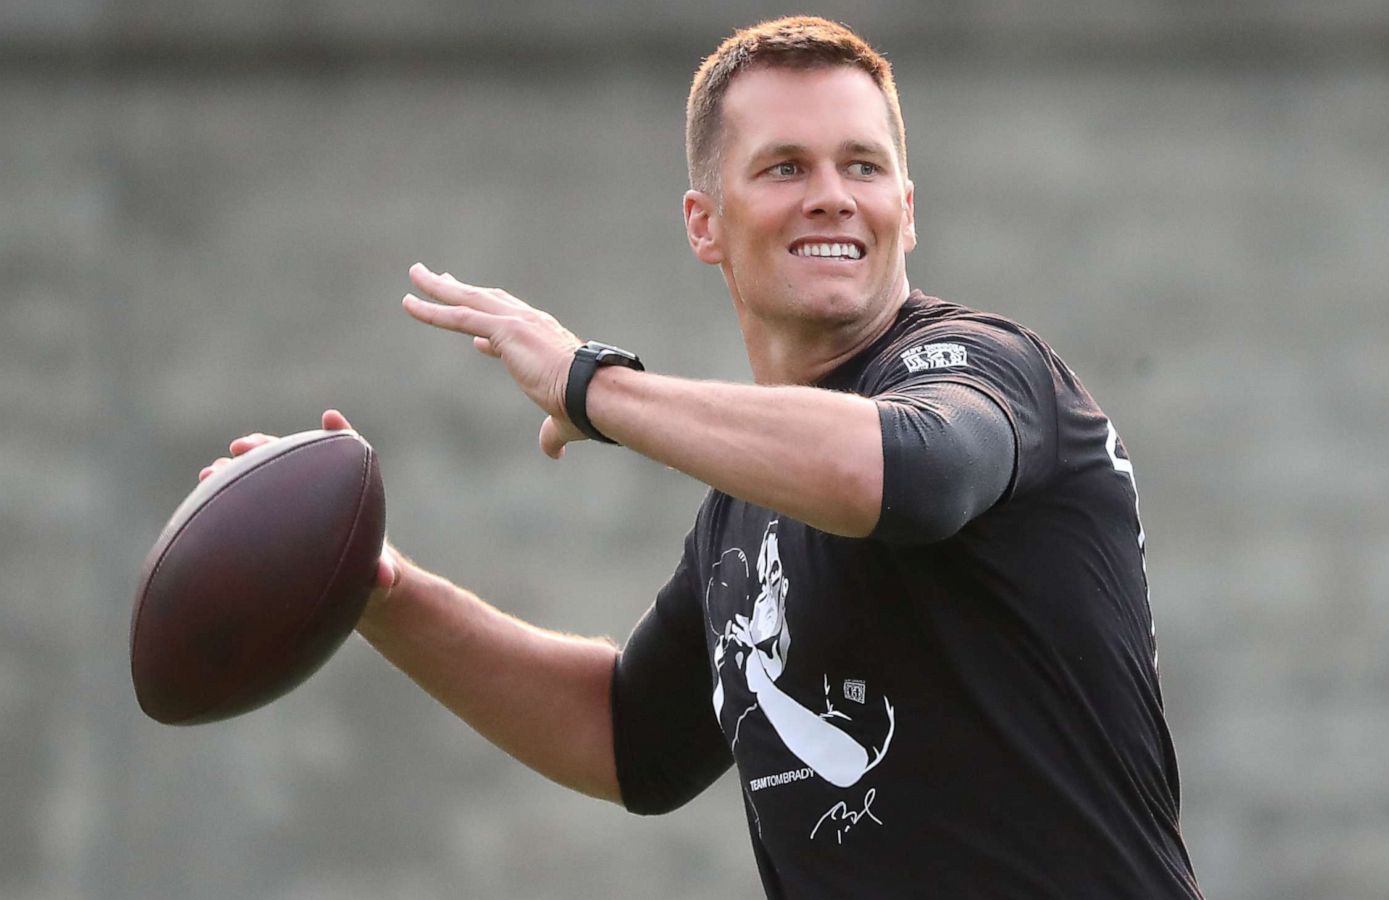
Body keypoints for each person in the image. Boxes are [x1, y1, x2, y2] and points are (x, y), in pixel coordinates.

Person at [202, 16, 1202, 898]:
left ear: (907, 202)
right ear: (703, 224)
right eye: (784, 168)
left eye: (861, 165)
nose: (831, 197)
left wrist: (594, 387)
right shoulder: (741, 512)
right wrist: (377, 587)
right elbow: (626, 735)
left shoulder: (986, 369)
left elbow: (909, 473)